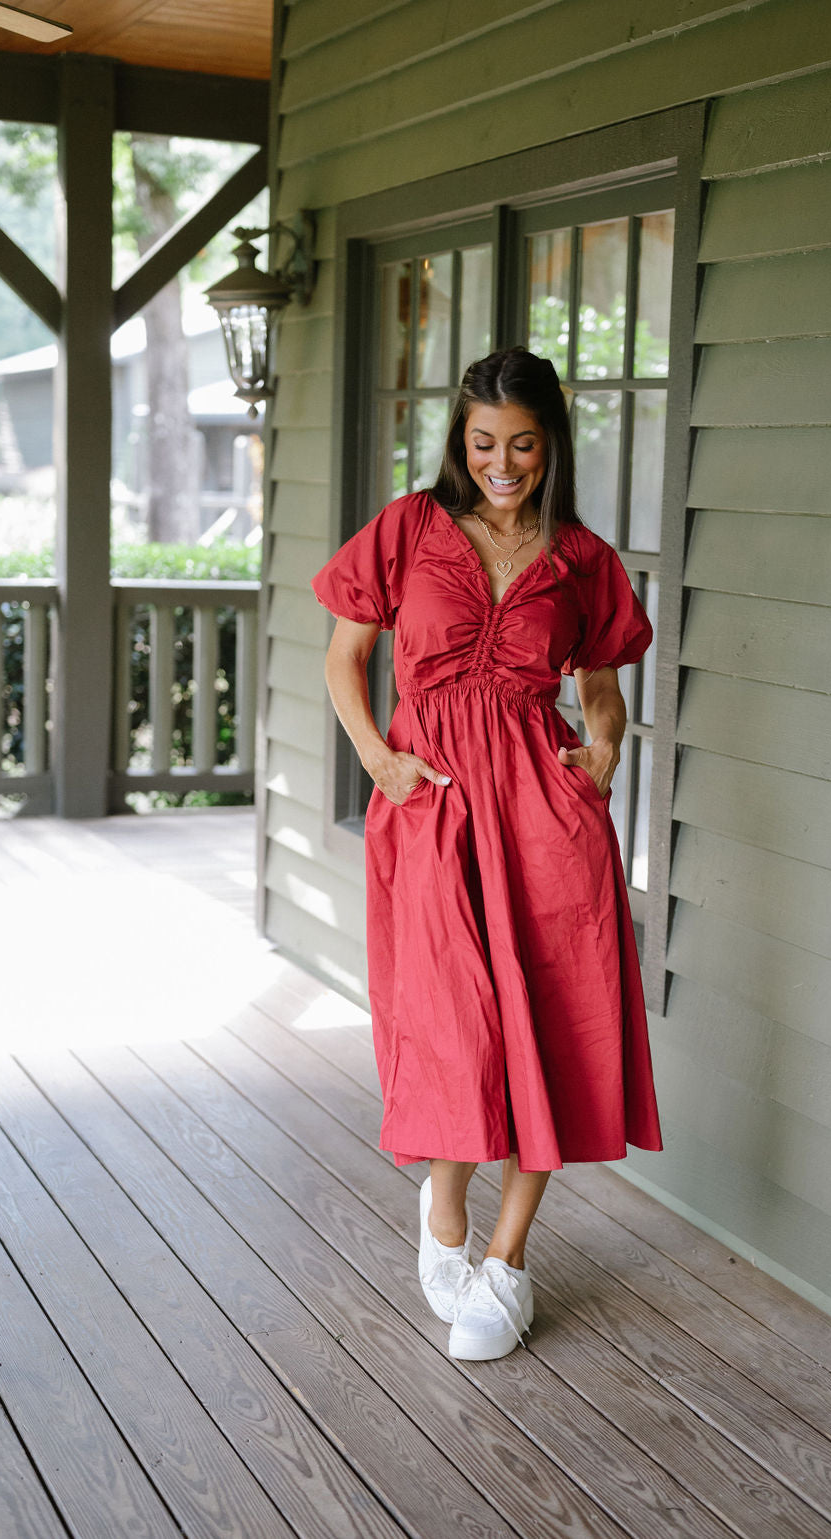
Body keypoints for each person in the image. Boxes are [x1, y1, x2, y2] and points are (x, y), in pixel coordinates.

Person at [312, 346, 661, 1362]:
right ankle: (447, 1208)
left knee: (555, 1016)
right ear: (458, 441)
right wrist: (379, 759)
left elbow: (598, 682)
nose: (501, 463)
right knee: (448, 1015)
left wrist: (601, 748)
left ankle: (506, 1261)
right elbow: (345, 657)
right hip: (433, 799)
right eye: (481, 443)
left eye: (521, 444)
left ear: (549, 443)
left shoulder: (583, 558)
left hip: (545, 808)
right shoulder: (408, 531)